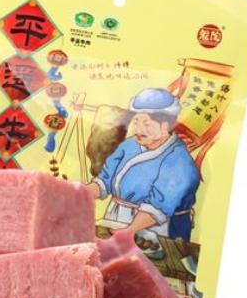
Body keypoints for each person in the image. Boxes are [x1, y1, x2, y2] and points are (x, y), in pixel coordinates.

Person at [86, 88, 200, 241]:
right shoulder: (128, 145)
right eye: (136, 122)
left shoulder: (180, 161)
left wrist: (130, 230)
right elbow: (104, 181)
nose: (138, 129)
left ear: (165, 127)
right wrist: (78, 195)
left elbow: (158, 207)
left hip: (159, 228)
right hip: (117, 218)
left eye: (146, 124)